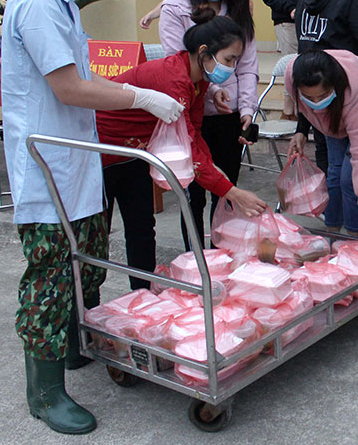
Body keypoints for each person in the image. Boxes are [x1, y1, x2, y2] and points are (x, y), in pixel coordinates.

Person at [1, 0, 183, 435]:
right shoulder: (33, 1)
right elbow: (70, 86)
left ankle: (72, 343)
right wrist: (141, 98)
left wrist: (132, 87)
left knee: (84, 262)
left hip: (74, 160)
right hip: (47, 164)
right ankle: (45, 391)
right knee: (52, 275)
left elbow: (80, 78)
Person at [97, 17, 268, 288]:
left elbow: (194, 134)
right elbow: (187, 148)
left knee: (141, 227)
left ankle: (142, 294)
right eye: (229, 59)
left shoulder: (196, 80)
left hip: (136, 153)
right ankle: (87, 308)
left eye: (236, 61)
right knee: (96, 234)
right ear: (204, 52)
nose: (232, 68)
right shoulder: (175, 80)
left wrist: (215, 170)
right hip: (102, 152)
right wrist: (231, 191)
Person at [159, 0, 259, 250]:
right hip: (191, 113)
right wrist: (214, 90)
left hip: (228, 118)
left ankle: (221, 253)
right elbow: (179, 63)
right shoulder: (175, 8)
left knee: (226, 189)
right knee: (192, 193)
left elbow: (248, 66)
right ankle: (195, 259)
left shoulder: (239, 13)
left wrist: (246, 110)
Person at [287, 49, 358, 242]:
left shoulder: (357, 90)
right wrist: (301, 131)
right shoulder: (293, 73)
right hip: (333, 122)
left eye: (322, 96)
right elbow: (303, 106)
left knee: (349, 179)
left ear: (335, 86)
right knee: (335, 174)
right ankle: (332, 233)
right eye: (309, 98)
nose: (316, 103)